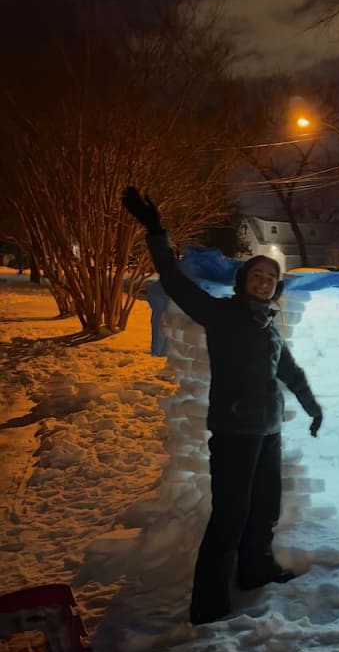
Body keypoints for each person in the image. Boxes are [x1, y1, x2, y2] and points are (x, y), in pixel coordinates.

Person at [122, 187, 323, 624]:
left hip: (268, 432)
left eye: (270, 278)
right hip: (234, 434)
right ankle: (209, 604)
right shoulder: (222, 315)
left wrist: (313, 407)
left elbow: (288, 369)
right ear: (243, 281)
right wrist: (156, 231)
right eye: (257, 275)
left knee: (265, 509)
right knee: (230, 516)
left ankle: (254, 571)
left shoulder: (268, 325)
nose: (263, 282)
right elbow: (174, 281)